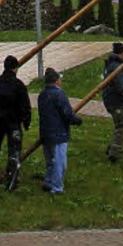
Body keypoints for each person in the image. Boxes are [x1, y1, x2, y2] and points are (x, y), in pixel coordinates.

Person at [0, 54, 31, 191]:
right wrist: (26, 121)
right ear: (15, 68)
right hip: (13, 123)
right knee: (14, 153)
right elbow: (25, 106)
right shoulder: (19, 85)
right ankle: (11, 182)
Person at [37, 66, 82, 195]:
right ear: (56, 81)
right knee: (60, 163)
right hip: (58, 133)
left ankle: (49, 181)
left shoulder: (42, 94)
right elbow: (66, 113)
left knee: (50, 161)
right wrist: (76, 120)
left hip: (46, 132)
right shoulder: (59, 94)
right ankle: (56, 187)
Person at [102, 41, 123, 163]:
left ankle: (112, 147)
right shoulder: (117, 67)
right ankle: (114, 153)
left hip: (109, 99)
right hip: (115, 101)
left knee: (121, 122)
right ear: (120, 54)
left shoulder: (111, 64)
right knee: (122, 125)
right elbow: (120, 87)